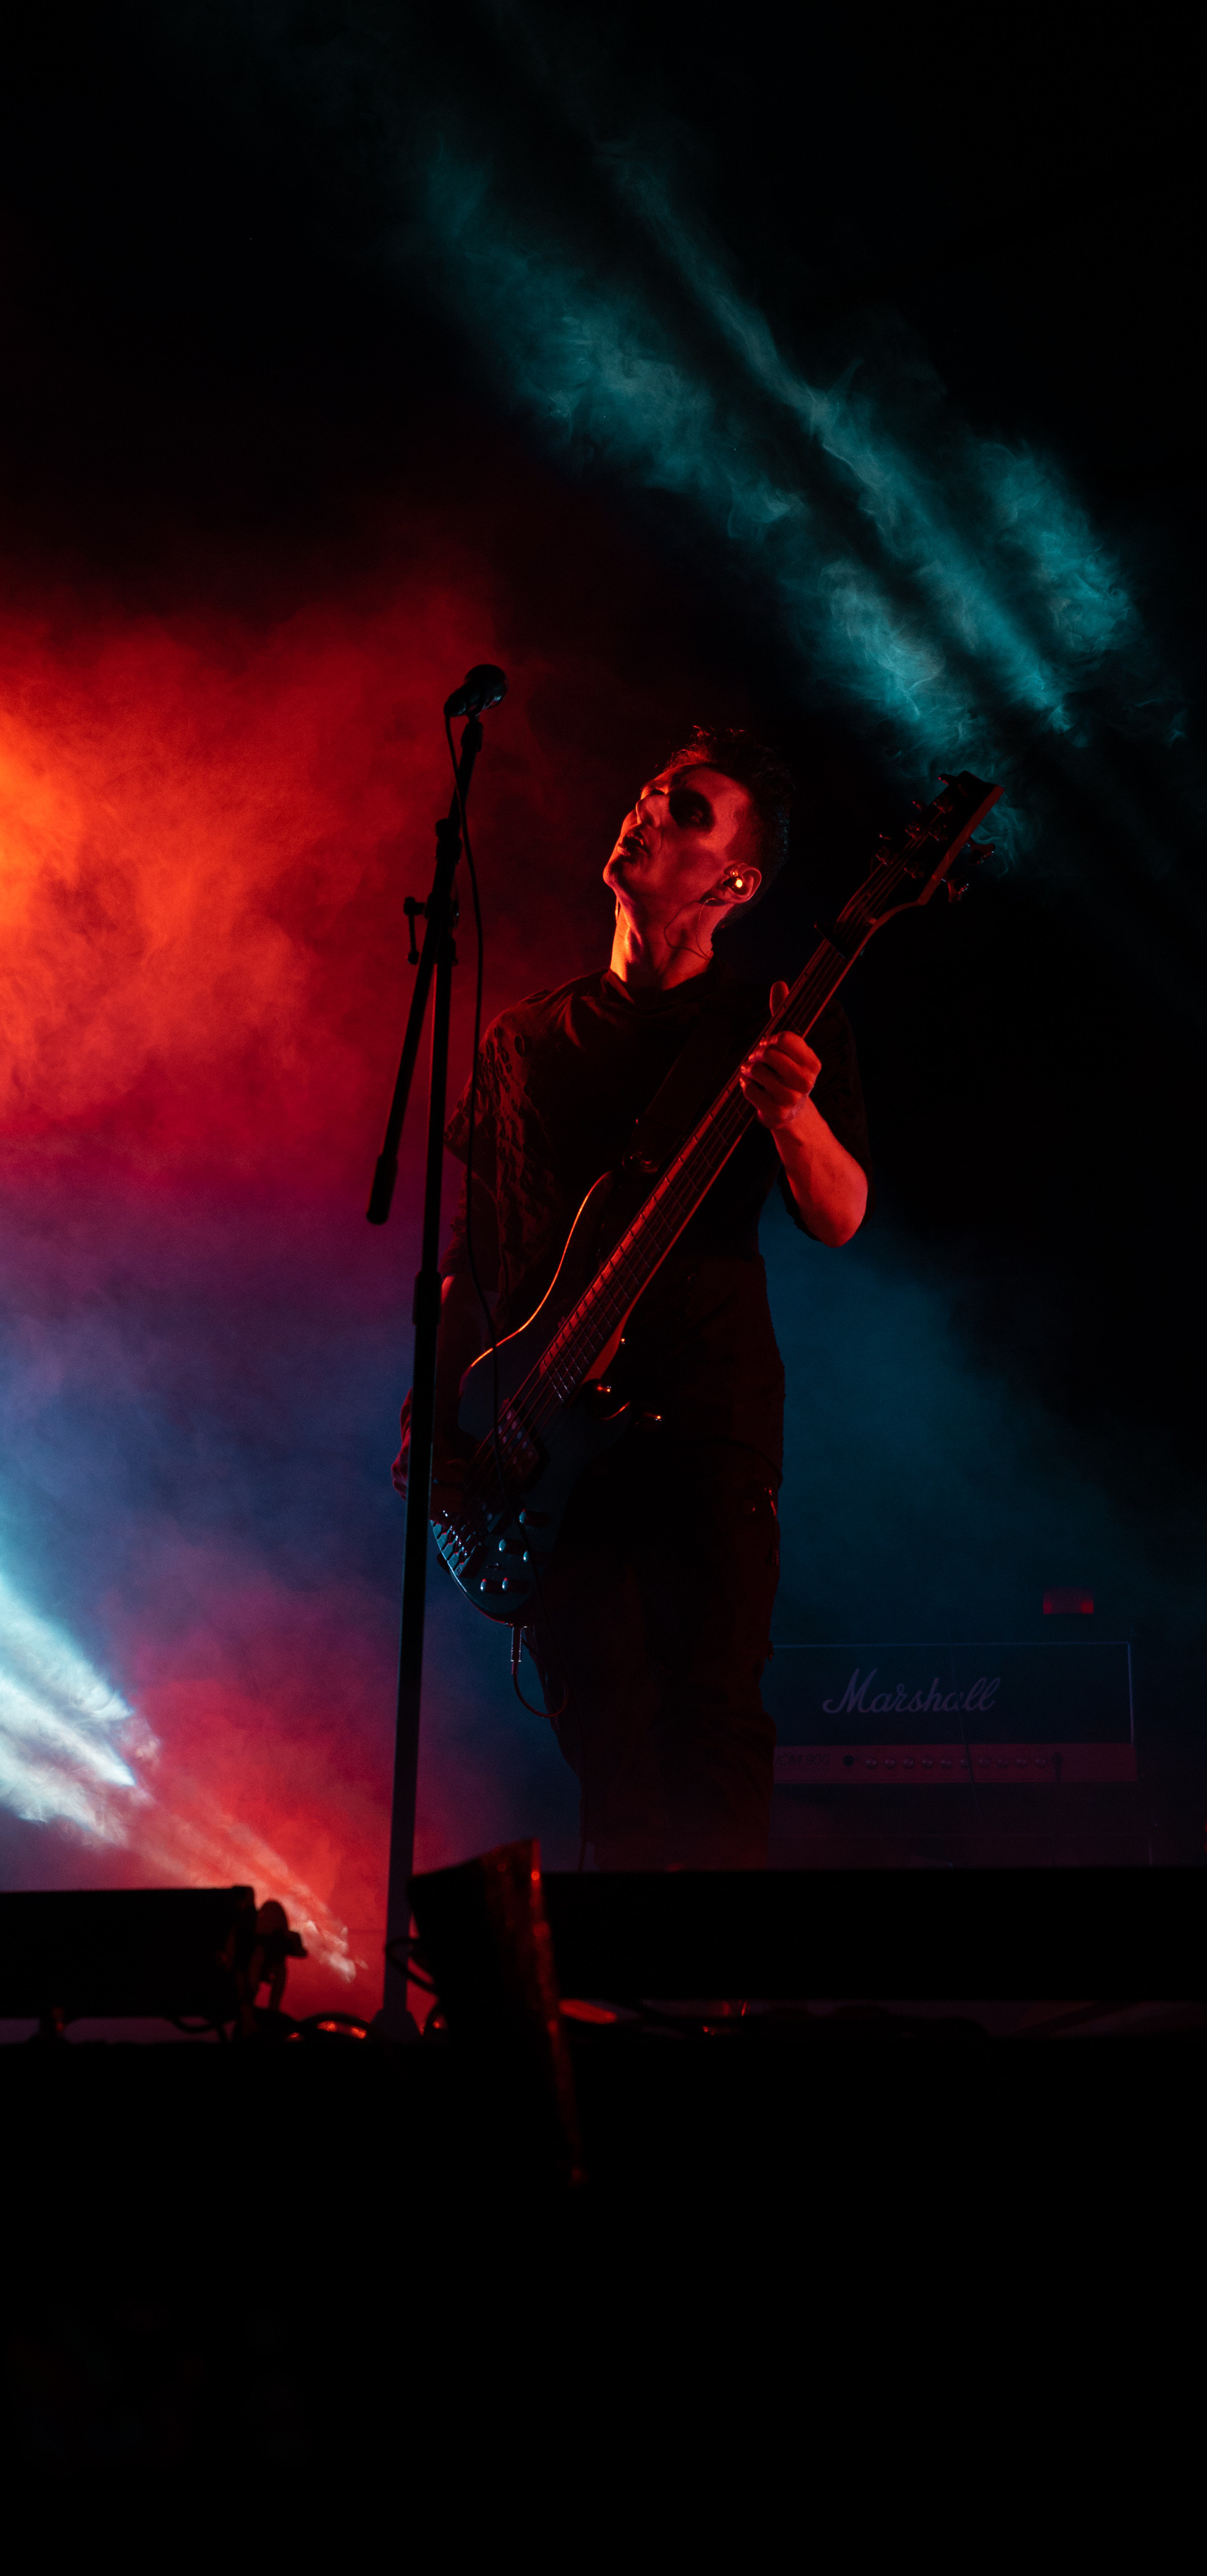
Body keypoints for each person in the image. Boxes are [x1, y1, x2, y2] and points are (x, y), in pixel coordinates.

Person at [393, 726, 870, 1870]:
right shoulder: (521, 1039)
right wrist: (436, 1419)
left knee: (710, 1713)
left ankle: (717, 2010)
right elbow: (478, 1250)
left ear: (735, 881)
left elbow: (841, 1212)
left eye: (688, 813)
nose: (647, 815)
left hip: (704, 1420)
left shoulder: (772, 1019)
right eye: (649, 795)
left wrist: (793, 1114)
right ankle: (632, 2013)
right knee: (606, 1738)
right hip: (543, 1440)